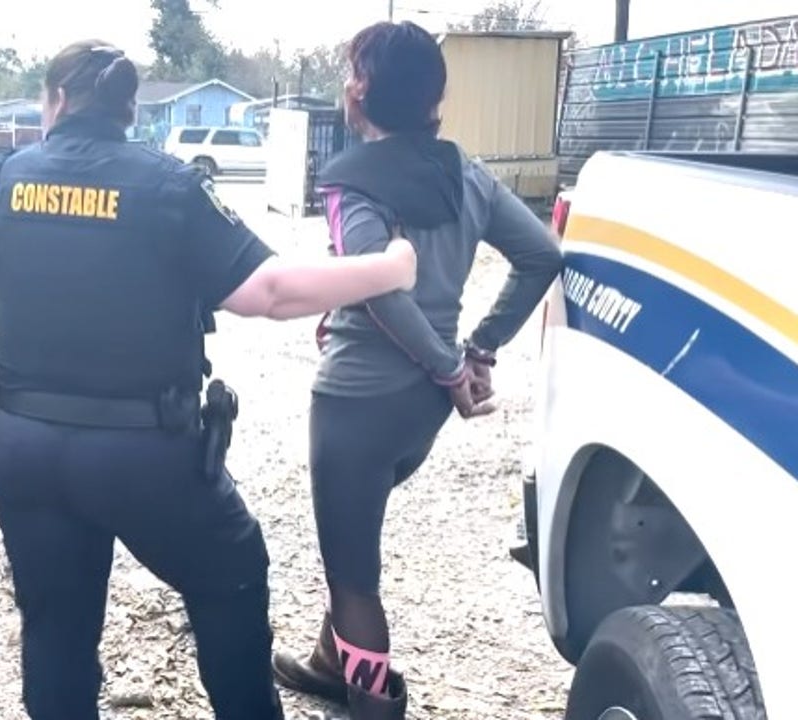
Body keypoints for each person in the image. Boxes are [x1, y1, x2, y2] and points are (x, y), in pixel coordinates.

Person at [0, 39, 419, 720]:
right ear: (127, 110)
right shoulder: (169, 187)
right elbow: (268, 291)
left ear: (57, 100)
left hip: (25, 452)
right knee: (231, 576)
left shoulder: (3, 179)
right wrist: (389, 268)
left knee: (56, 629)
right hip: (146, 457)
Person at [268, 20, 564, 720]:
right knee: (354, 540)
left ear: (361, 91)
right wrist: (476, 351)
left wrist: (451, 367)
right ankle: (329, 662)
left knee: (353, 577)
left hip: (357, 404)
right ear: (435, 97)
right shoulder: (465, 172)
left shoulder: (350, 183)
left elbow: (380, 289)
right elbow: (542, 256)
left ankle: (372, 704)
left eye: (350, 75)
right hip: (417, 412)